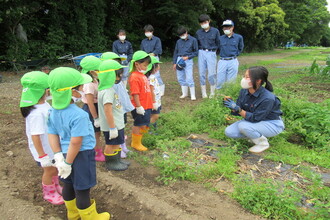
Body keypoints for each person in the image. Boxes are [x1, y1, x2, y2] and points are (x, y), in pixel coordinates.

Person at [47, 67, 110, 219]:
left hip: (63, 153)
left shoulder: (52, 111)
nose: (82, 89)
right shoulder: (79, 115)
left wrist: (59, 157)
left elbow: (52, 133)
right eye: (80, 87)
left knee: (68, 184)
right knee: (82, 189)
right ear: (72, 91)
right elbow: (76, 142)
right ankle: (90, 217)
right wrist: (68, 163)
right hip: (81, 155)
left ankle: (73, 214)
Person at [19, 71, 64, 205]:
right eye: (47, 89)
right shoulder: (36, 113)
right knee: (49, 170)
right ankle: (49, 193)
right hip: (44, 150)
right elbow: (35, 136)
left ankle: (55, 186)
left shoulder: (43, 105)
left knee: (55, 168)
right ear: (40, 91)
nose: (49, 91)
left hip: (51, 147)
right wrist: (42, 156)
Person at [223, 66, 284, 153]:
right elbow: (239, 110)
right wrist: (232, 107)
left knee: (243, 126)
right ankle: (253, 135)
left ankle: (262, 143)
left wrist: (239, 110)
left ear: (258, 81)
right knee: (229, 132)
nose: (244, 79)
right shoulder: (244, 91)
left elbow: (255, 118)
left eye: (247, 77)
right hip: (254, 122)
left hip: (271, 123)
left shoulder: (267, 98)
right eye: (244, 76)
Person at [101, 52, 135, 158]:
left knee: (122, 126)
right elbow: (107, 106)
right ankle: (118, 149)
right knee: (116, 130)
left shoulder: (118, 81)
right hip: (114, 111)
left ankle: (122, 146)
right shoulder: (108, 85)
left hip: (121, 108)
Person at [97, 59, 129, 171]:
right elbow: (108, 110)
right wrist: (112, 128)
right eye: (118, 75)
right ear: (110, 75)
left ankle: (117, 160)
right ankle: (111, 163)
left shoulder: (109, 89)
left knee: (117, 142)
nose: (120, 77)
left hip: (117, 123)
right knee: (111, 144)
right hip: (112, 125)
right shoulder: (107, 92)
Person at [80, 56, 104, 162]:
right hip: (91, 109)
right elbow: (90, 102)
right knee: (95, 132)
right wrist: (95, 118)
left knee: (97, 132)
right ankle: (96, 153)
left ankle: (96, 150)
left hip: (97, 107)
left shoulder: (94, 80)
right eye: (98, 69)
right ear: (91, 71)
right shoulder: (89, 84)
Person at [128, 50, 152, 151]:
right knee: (138, 124)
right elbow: (135, 93)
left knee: (144, 122)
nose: (146, 68)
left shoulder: (142, 75)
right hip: (140, 106)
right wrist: (138, 106)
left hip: (146, 104)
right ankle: (135, 143)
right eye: (145, 65)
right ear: (137, 64)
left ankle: (141, 139)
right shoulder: (134, 77)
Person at [195, 14, 220, 98]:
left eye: (205, 22)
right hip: (201, 52)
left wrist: (214, 52)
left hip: (211, 52)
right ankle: (204, 92)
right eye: (202, 23)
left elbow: (218, 43)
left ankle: (212, 92)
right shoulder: (198, 32)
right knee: (201, 73)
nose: (204, 24)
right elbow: (197, 44)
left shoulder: (215, 31)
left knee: (211, 74)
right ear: (200, 24)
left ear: (209, 21)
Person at [217, 19, 244, 90]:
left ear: (232, 27)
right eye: (224, 27)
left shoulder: (238, 37)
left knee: (231, 80)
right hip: (222, 61)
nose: (226, 29)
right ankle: (219, 95)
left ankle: (228, 96)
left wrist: (235, 54)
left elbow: (240, 48)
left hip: (233, 60)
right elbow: (218, 48)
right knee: (220, 80)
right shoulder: (220, 38)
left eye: (228, 27)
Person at [173, 26, 198, 100]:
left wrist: (188, 57)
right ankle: (184, 93)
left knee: (189, 77)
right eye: (180, 35)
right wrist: (174, 62)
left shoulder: (193, 40)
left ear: (186, 32)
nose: (182, 36)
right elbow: (176, 52)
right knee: (180, 77)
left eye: (182, 35)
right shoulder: (178, 41)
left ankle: (193, 95)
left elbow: (196, 52)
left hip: (188, 59)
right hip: (179, 59)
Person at [140, 24, 165, 96]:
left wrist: (153, 54)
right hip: (146, 59)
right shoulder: (143, 41)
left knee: (156, 74)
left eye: (148, 31)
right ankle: (149, 89)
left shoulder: (157, 40)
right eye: (145, 31)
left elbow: (158, 49)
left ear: (152, 32)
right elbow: (142, 50)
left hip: (154, 58)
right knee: (146, 74)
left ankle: (161, 89)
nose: (147, 33)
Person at [146, 56, 162, 129]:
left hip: (157, 99)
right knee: (155, 115)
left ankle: (153, 128)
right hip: (154, 100)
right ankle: (149, 129)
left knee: (153, 115)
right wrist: (154, 102)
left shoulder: (152, 76)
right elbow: (151, 90)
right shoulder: (151, 77)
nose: (159, 66)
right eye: (158, 65)